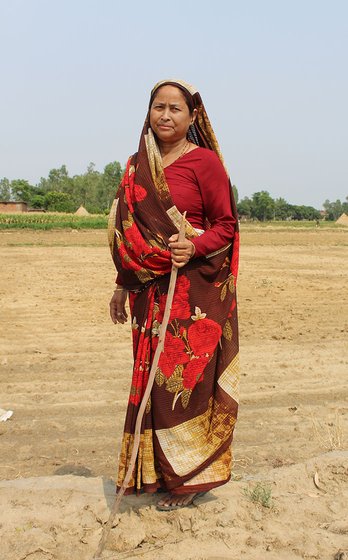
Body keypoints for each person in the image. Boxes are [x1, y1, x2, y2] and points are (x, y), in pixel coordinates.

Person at [108, 79, 240, 511]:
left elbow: (226, 225)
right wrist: (121, 286)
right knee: (150, 381)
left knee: (182, 385)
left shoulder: (204, 164)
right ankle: (157, 476)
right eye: (158, 107)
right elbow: (128, 235)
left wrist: (193, 246)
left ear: (192, 116)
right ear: (148, 111)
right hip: (148, 293)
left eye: (175, 109)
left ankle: (192, 478)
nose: (165, 115)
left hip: (193, 293)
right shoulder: (135, 165)